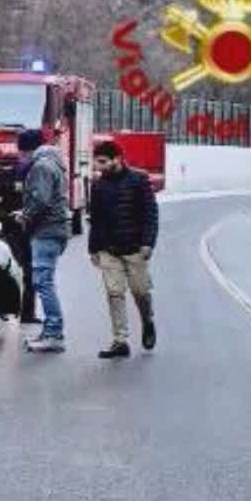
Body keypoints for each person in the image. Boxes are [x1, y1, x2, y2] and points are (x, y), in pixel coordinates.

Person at [87, 140, 160, 358]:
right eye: (96, 162)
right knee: (114, 293)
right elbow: (96, 219)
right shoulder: (98, 186)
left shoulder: (139, 180)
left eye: (102, 162)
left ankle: (147, 321)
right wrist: (93, 249)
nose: (98, 166)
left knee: (141, 292)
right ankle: (120, 341)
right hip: (109, 250)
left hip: (135, 248)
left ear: (117, 159)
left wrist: (148, 242)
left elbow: (150, 215)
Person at [14, 127, 71, 352]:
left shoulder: (41, 166)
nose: (19, 157)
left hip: (46, 231)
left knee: (43, 282)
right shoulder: (53, 163)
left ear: (27, 150)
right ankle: (50, 330)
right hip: (55, 229)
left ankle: (54, 334)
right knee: (44, 280)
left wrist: (24, 216)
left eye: (20, 152)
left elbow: (41, 200)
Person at [0, 155, 39, 325]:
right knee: (26, 271)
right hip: (19, 229)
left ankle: (16, 310)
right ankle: (24, 312)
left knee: (20, 270)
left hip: (16, 229)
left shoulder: (2, 179)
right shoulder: (33, 173)